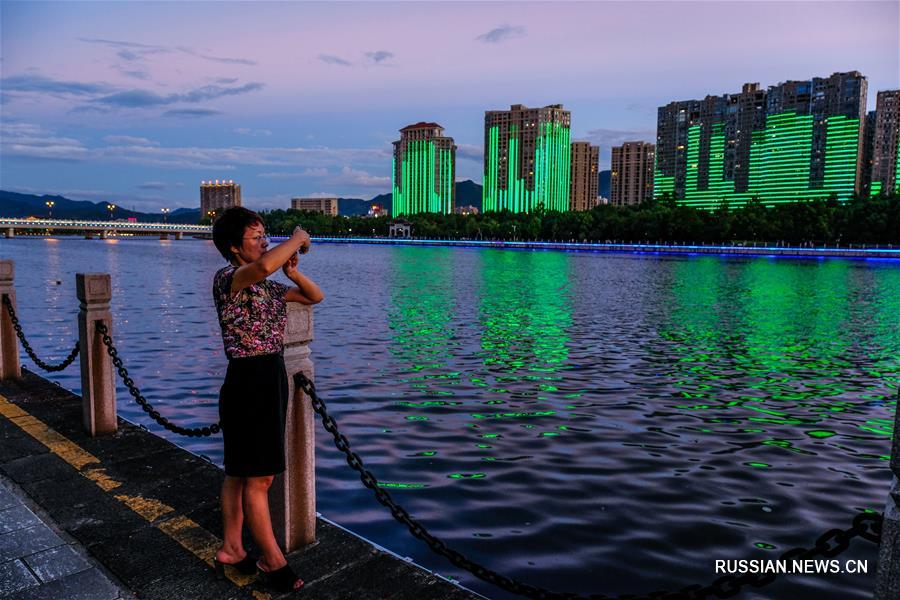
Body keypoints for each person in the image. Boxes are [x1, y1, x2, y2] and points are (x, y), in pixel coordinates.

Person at [210, 207, 324, 593]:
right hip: (246, 379)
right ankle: (272, 560)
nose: (263, 241)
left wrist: (293, 271)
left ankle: (231, 547)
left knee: (241, 471)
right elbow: (259, 269)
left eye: (264, 234)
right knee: (258, 477)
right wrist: (296, 237)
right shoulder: (230, 278)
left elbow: (315, 296)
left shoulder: (271, 288)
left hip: (269, 376)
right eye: (255, 236)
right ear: (234, 247)